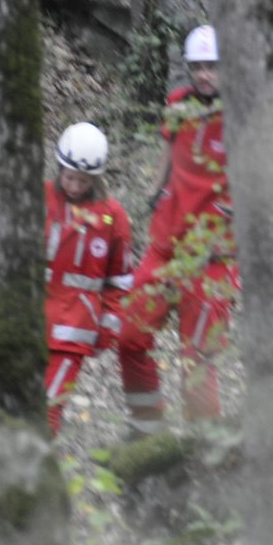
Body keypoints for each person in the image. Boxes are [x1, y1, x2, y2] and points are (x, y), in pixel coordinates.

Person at [114, 25, 239, 429]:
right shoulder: (178, 104)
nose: (205, 75)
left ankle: (208, 453)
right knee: (130, 338)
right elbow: (167, 155)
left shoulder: (240, 120)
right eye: (198, 67)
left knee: (198, 362)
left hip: (212, 261)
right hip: (165, 249)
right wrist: (152, 196)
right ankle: (148, 428)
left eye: (213, 67)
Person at [41, 121, 134, 437]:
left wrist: (107, 329)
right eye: (69, 177)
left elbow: (120, 281)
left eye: (83, 180)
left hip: (74, 332)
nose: (75, 186)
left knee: (49, 409)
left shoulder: (113, 217)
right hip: (31, 318)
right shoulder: (41, 198)